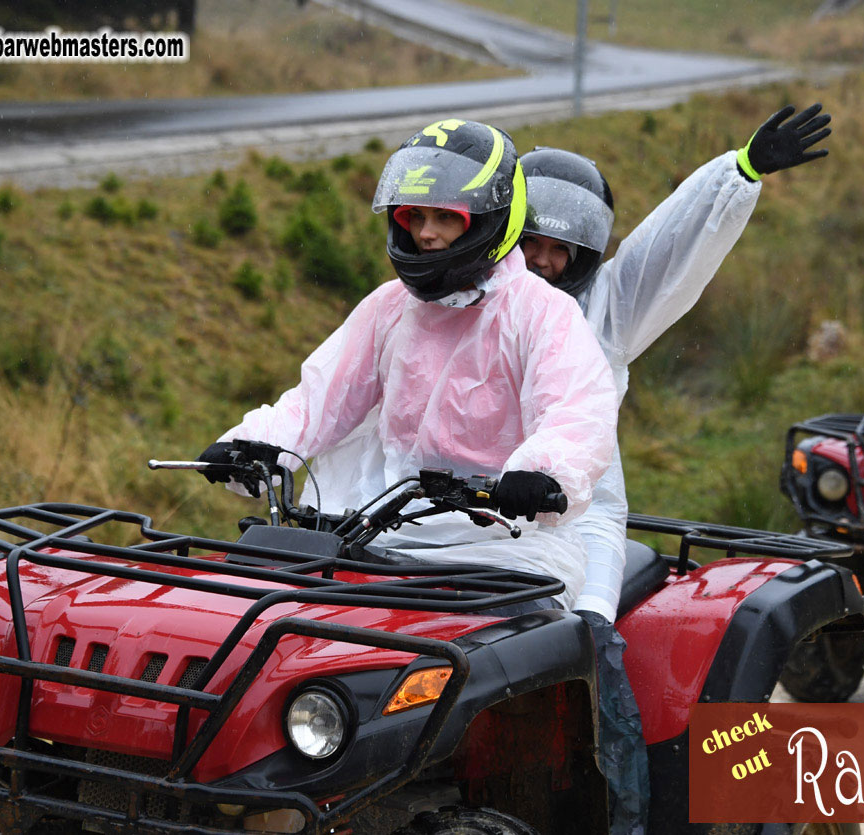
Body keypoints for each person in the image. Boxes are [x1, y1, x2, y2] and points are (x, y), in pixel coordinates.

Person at [298, 104, 833, 835]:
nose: (545, 260)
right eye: (534, 242)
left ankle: (624, 814)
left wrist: (736, 172)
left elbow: (671, 245)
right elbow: (361, 403)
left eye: (564, 248)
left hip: (576, 520)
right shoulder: (442, 305)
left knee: (589, 649)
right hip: (443, 514)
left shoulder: (605, 308)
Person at [201, 117, 618, 611]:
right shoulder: (390, 306)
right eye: (415, 217)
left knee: (490, 662)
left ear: (489, 218)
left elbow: (576, 412)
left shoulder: (543, 312)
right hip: (378, 530)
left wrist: (543, 474)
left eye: (445, 218)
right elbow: (319, 401)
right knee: (258, 615)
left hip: (505, 549)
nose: (426, 234)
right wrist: (258, 446)